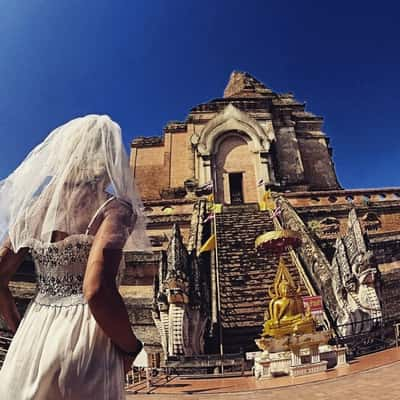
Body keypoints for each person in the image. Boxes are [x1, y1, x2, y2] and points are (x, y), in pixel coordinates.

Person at [0, 115, 150, 399]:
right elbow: (96, 291)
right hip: (85, 340)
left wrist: (19, 329)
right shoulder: (114, 209)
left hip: (31, 338)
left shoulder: (32, 210)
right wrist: (131, 346)